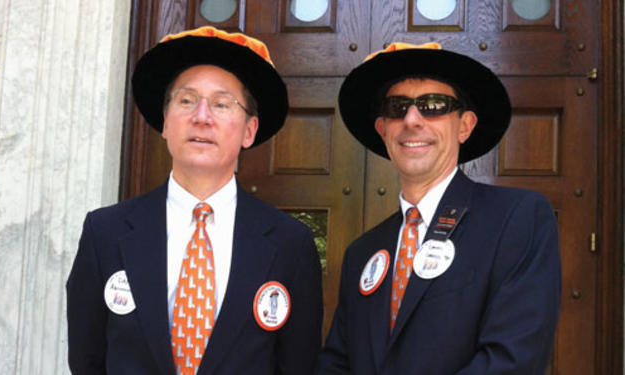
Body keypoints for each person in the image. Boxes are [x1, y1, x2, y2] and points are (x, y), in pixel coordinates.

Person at [66, 26, 323, 375]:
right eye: (186, 100)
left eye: (221, 103)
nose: (202, 116)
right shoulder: (105, 233)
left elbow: (297, 364)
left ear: (249, 131)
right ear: (165, 123)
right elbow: (87, 360)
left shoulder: (290, 243)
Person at [317, 42, 561, 374]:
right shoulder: (362, 253)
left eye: (434, 105)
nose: (412, 119)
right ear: (383, 129)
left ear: (465, 125)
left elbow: (513, 358)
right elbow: (337, 362)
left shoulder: (516, 218)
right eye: (396, 107)